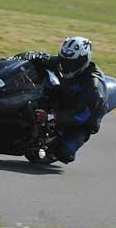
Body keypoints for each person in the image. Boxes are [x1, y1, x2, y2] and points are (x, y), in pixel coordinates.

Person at [11, 36, 107, 164]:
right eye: (63, 59)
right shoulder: (62, 63)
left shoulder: (92, 87)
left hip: (82, 120)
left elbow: (81, 115)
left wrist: (52, 116)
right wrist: (18, 58)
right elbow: (43, 59)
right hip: (65, 100)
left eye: (71, 63)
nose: (65, 65)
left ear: (83, 60)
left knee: (64, 153)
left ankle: (49, 146)